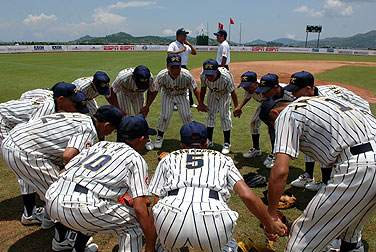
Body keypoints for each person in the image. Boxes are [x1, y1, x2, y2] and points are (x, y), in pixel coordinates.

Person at [147, 121, 287, 252]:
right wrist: (270, 224)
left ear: (182, 145)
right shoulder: (222, 158)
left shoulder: (168, 159)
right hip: (212, 218)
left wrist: (149, 248)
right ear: (206, 144)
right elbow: (246, 195)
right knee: (226, 245)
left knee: (166, 245)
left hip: (171, 217)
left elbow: (155, 206)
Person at [260, 96, 375, 252]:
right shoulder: (319, 101)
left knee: (301, 240)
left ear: (274, 114)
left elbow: (280, 171)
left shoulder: (286, 114)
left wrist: (271, 215)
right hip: (365, 159)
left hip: (361, 166)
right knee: (350, 229)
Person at [1, 105, 123, 252]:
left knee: (53, 187)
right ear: (107, 125)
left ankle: (49, 218)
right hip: (23, 151)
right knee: (60, 194)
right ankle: (63, 240)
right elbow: (68, 156)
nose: (111, 133)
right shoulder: (89, 130)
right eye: (113, 129)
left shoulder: (82, 118)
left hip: (16, 141)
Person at [45, 115, 157, 252]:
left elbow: (63, 171)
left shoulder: (99, 145)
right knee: (133, 224)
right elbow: (140, 209)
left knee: (97, 213)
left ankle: (76, 247)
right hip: (81, 206)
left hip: (52, 197)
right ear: (141, 139)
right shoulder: (135, 159)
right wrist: (151, 243)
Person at [0, 82, 88, 229]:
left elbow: (26, 96)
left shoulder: (52, 100)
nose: (74, 103)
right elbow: (32, 136)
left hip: (10, 120)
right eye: (71, 100)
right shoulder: (47, 107)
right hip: (2, 122)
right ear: (60, 99)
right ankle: (29, 213)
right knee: (23, 158)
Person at [284, 71, 371, 191]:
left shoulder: (326, 99)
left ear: (308, 88)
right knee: (312, 136)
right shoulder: (309, 97)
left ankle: (328, 181)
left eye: (295, 90)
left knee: (331, 144)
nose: (292, 94)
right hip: (343, 115)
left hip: (360, 115)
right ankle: (309, 175)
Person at [153, 54, 204, 149]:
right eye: (172, 67)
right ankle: (159, 137)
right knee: (165, 116)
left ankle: (191, 137)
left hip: (182, 94)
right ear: (167, 67)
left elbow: (195, 88)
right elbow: (155, 90)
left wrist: (200, 104)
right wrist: (147, 106)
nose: (176, 70)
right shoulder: (161, 75)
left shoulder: (186, 75)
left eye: (178, 67)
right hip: (167, 94)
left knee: (187, 116)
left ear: (181, 66)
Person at [107, 65, 158, 150]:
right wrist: (118, 108)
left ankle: (146, 137)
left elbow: (153, 91)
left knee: (141, 115)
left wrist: (147, 106)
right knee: (125, 116)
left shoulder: (150, 78)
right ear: (133, 77)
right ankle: (123, 140)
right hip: (124, 93)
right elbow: (112, 91)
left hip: (138, 94)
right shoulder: (123, 77)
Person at [199, 59, 238, 154]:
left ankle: (227, 143)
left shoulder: (226, 77)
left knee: (224, 116)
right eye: (207, 74)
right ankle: (209, 140)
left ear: (217, 71)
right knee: (210, 114)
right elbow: (203, 89)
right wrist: (201, 103)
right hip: (212, 92)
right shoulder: (203, 76)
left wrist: (237, 106)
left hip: (224, 94)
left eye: (211, 74)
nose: (209, 77)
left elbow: (232, 92)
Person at [254, 73, 294, 168]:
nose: (263, 94)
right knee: (272, 129)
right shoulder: (270, 97)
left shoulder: (291, 95)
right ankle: (274, 153)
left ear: (276, 87)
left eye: (266, 90)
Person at [233, 71, 266, 158]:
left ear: (256, 83)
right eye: (244, 87)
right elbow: (248, 96)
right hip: (264, 104)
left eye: (248, 86)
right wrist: (240, 107)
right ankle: (256, 149)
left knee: (274, 128)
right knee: (254, 123)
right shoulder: (249, 89)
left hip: (276, 105)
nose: (246, 89)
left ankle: (275, 154)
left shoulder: (265, 87)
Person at [168, 28, 197, 108]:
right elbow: (169, 53)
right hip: (175, 66)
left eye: (185, 35)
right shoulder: (173, 44)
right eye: (183, 35)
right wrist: (180, 51)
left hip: (184, 66)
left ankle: (191, 102)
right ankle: (174, 104)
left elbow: (194, 53)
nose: (185, 37)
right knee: (175, 85)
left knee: (189, 84)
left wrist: (189, 45)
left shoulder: (186, 45)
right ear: (178, 36)